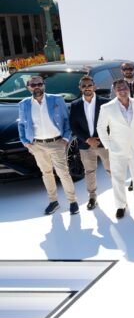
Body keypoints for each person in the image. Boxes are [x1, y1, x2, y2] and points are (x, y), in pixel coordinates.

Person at [17, 75, 79, 215]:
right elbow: (21, 124)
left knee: (63, 173)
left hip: (56, 142)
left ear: (44, 85)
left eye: (39, 84)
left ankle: (73, 201)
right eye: (33, 85)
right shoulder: (24, 104)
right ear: (28, 88)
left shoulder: (56, 99)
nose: (37, 86)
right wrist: (25, 142)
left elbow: (66, 120)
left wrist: (65, 138)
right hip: (37, 145)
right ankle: (53, 201)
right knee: (46, 174)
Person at [97, 79, 134, 219]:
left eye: (124, 87)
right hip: (117, 150)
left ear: (129, 88)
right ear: (115, 91)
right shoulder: (107, 107)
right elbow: (101, 128)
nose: (122, 90)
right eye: (118, 88)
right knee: (118, 179)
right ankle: (120, 206)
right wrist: (109, 146)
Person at [69, 75, 110, 211]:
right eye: (84, 86)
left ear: (94, 86)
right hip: (85, 145)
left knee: (112, 170)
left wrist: (103, 138)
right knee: (89, 171)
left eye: (89, 85)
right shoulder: (75, 105)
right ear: (80, 88)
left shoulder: (105, 102)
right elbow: (74, 126)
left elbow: (111, 123)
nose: (87, 88)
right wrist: (87, 139)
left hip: (104, 143)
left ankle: (119, 195)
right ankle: (92, 197)